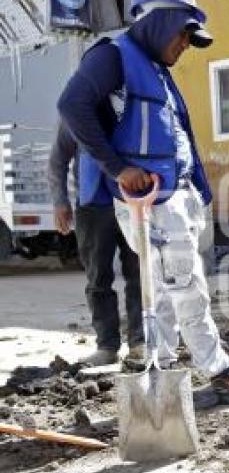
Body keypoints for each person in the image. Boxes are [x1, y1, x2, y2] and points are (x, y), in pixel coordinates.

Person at [57, 0, 229, 409]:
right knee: (188, 287)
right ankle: (221, 375)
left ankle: (161, 378)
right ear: (161, 21)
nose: (184, 46)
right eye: (183, 35)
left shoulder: (156, 70)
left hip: (170, 197)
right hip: (150, 201)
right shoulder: (113, 56)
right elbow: (71, 106)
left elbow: (177, 135)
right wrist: (118, 168)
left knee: (161, 293)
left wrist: (198, 189)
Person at [47, 121, 147, 367]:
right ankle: (107, 346)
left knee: (140, 275)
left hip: (133, 200)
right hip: (92, 205)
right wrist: (60, 201)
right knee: (98, 278)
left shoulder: (130, 100)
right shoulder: (77, 106)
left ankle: (140, 342)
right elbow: (57, 160)